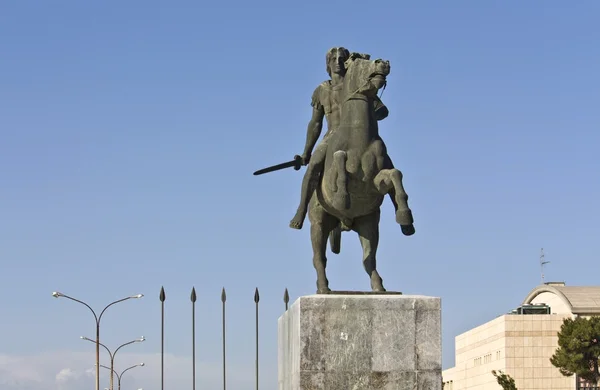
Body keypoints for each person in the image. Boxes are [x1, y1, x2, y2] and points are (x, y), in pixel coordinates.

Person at [289, 47, 390, 230]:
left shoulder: (359, 85)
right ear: (328, 64)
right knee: (314, 165)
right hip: (332, 135)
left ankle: (401, 205)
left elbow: (382, 111)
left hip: (358, 135)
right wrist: (306, 152)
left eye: (341, 58)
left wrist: (370, 110)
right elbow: (315, 123)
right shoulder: (321, 90)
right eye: (333, 59)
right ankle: (301, 209)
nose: (337, 62)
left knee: (386, 161)